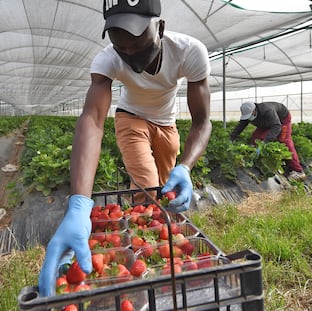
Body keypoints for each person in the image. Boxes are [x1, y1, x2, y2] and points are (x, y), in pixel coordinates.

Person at [38, 0, 211, 297]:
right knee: (145, 184)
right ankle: (140, 258)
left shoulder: (189, 51)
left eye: (140, 46)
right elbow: (92, 120)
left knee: (168, 188)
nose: (131, 56)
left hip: (167, 123)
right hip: (130, 117)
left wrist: (186, 167)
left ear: (160, 28)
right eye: (122, 48)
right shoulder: (107, 60)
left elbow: (202, 121)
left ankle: (162, 241)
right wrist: (79, 202)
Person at [230, 101, 305, 180]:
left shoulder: (267, 111)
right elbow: (240, 127)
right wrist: (231, 139)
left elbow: (276, 126)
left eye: (250, 115)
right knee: (256, 139)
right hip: (266, 123)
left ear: (254, 110)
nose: (249, 118)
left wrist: (264, 142)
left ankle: (298, 170)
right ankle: (257, 163)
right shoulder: (248, 115)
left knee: (284, 141)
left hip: (282, 120)